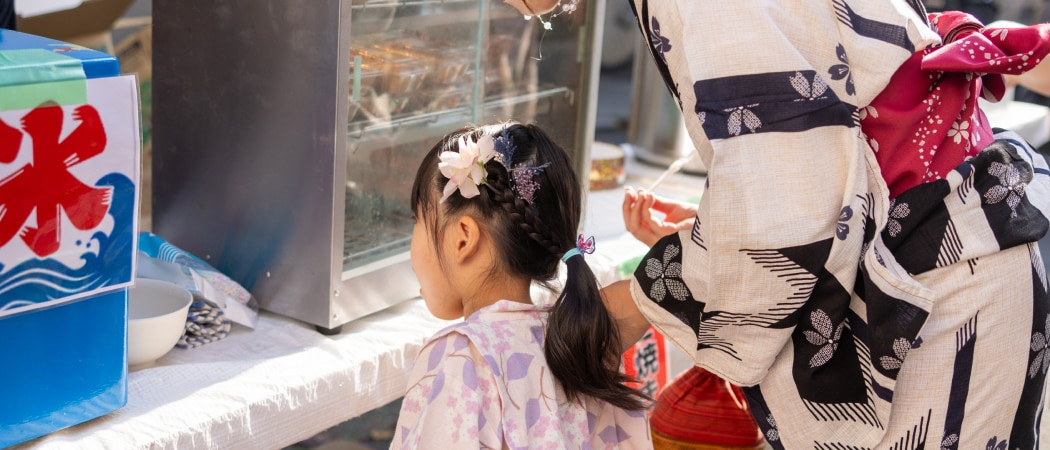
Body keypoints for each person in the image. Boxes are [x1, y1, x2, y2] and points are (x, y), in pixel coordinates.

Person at [500, 1, 1050, 449]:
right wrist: (716, 233)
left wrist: (632, 305)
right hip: (933, 250)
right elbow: (792, 182)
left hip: (935, 288)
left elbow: (783, 210)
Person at [391, 122, 652, 449]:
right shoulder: (580, 337)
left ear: (462, 239)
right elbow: (655, 289)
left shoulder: (462, 359)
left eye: (418, 219)